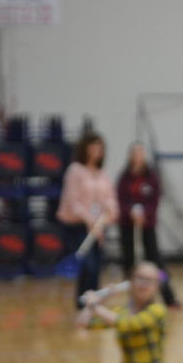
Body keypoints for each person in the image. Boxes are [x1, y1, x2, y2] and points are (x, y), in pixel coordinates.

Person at [57, 132, 119, 309]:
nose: (95, 151)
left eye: (99, 147)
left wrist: (108, 214)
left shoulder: (103, 173)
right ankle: (82, 304)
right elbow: (72, 200)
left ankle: (94, 303)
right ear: (84, 148)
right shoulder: (75, 170)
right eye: (92, 147)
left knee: (97, 267)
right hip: (78, 226)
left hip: (99, 226)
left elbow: (109, 197)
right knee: (87, 266)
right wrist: (89, 220)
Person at [117, 142, 180, 308]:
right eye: (135, 153)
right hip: (128, 225)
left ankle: (169, 297)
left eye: (141, 153)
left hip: (147, 225)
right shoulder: (124, 178)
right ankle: (134, 299)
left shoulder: (151, 177)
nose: (138, 156)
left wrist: (146, 214)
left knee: (156, 262)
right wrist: (130, 212)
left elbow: (155, 199)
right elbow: (120, 199)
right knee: (129, 263)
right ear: (131, 156)